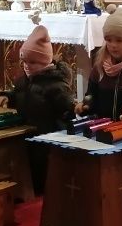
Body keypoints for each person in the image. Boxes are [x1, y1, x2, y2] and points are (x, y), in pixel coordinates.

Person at [7, 24, 75, 193]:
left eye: (33, 62)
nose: (27, 66)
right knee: (27, 163)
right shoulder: (23, 81)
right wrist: (7, 97)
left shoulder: (55, 84)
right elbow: (17, 96)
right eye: (24, 62)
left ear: (45, 61)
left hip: (47, 135)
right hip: (27, 131)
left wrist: (71, 114)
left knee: (43, 166)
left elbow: (67, 110)